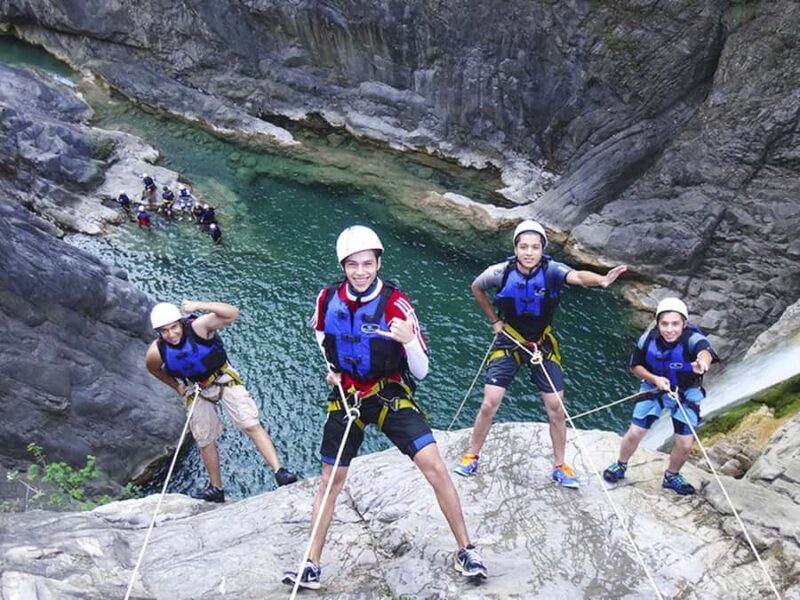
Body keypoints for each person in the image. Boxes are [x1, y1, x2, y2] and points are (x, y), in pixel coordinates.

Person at [283, 225, 487, 589]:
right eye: (352, 265)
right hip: (348, 397)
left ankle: (466, 549)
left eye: (367, 263)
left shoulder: (397, 304)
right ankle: (311, 564)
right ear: (343, 266)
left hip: (387, 393)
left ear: (378, 263)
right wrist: (332, 371)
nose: (360, 272)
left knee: (435, 466)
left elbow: (422, 370)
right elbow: (321, 336)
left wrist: (408, 342)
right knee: (330, 481)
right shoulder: (327, 298)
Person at [454, 220, 627, 488]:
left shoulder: (553, 271)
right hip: (510, 340)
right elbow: (476, 287)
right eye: (524, 246)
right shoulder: (499, 272)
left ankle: (560, 465)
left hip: (541, 343)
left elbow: (579, 276)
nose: (529, 252)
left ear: (542, 249)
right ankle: (471, 455)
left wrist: (601, 280)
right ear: (516, 248)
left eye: (535, 247)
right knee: (490, 402)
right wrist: (494, 321)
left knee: (557, 408)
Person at [144, 300, 298, 501]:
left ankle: (280, 471)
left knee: (249, 423)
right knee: (205, 438)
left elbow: (232, 313)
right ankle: (216, 489)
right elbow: (153, 368)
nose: (171, 334)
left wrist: (197, 305)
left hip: (221, 377)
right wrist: (177, 386)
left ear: (180, 323)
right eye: (165, 331)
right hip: (196, 387)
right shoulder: (157, 351)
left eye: (174, 327)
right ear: (159, 333)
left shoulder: (198, 327)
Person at [603, 298, 718, 495]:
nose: (669, 329)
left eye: (675, 324)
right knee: (635, 432)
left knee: (685, 442)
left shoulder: (692, 339)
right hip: (654, 387)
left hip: (685, 393)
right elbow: (635, 366)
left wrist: (702, 363)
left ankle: (672, 476)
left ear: (684, 323)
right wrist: (654, 378)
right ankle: (620, 465)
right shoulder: (647, 340)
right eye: (664, 324)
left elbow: (704, 351)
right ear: (658, 323)